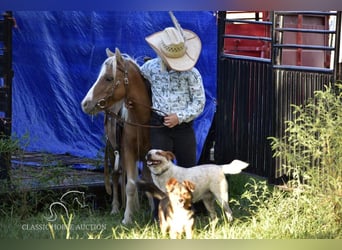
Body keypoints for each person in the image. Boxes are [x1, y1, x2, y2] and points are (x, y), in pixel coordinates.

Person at [140, 12, 206, 168]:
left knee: (188, 168)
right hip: (159, 126)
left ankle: (185, 193)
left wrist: (179, 116)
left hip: (184, 128)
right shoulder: (150, 68)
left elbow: (199, 102)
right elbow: (138, 81)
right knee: (160, 169)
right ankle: (163, 193)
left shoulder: (192, 74)